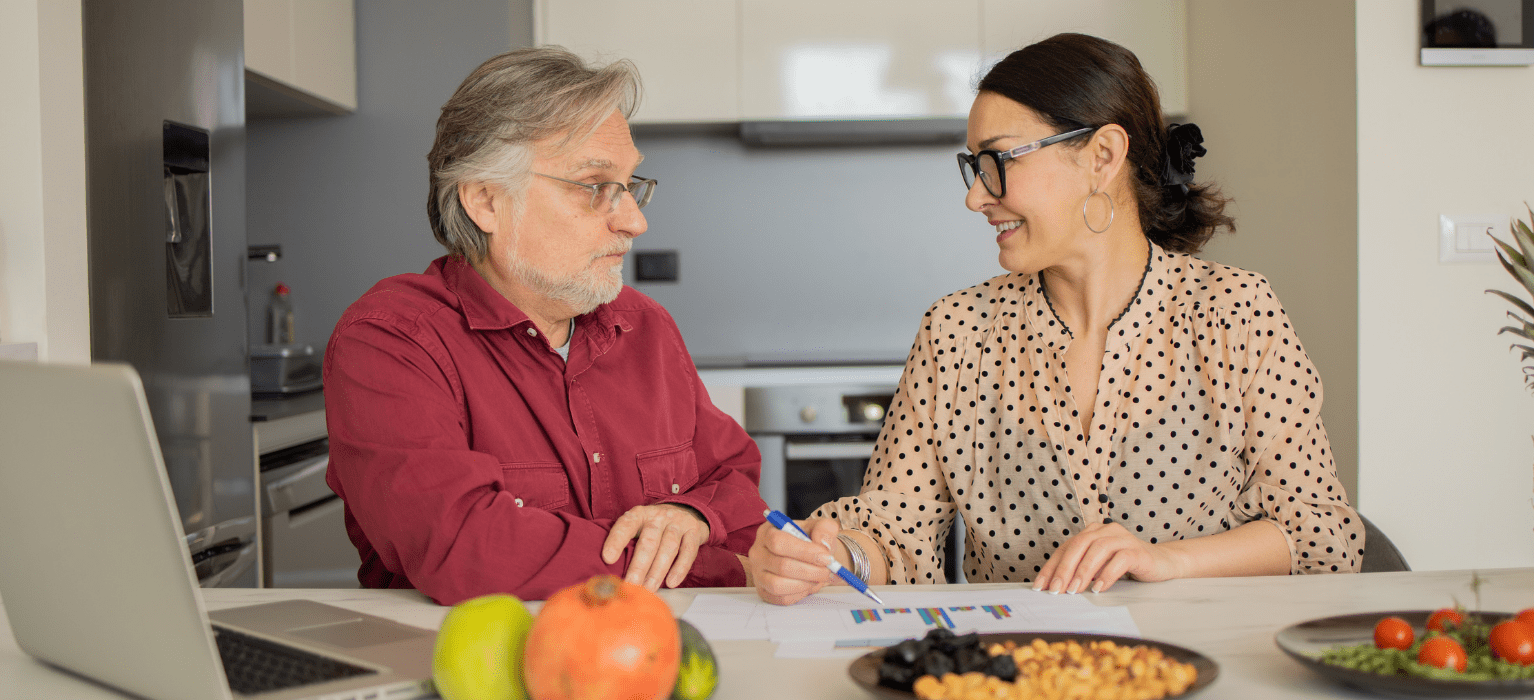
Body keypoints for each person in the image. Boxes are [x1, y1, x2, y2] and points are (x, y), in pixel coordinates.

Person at [748, 33, 1365, 606]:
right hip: (1024, 673)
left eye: (997, 161)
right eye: (973, 166)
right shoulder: (956, 332)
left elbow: (1324, 537)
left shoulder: (1237, 313)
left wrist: (1164, 561)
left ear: (1101, 156)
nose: (975, 195)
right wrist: (831, 554)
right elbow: (896, 532)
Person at [322, 47, 766, 605]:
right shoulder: (390, 340)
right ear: (486, 200)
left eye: (630, 185)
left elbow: (735, 480)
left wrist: (690, 514)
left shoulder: (646, 327)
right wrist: (712, 565)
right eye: (593, 185)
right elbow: (466, 548)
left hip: (647, 661)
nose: (635, 220)